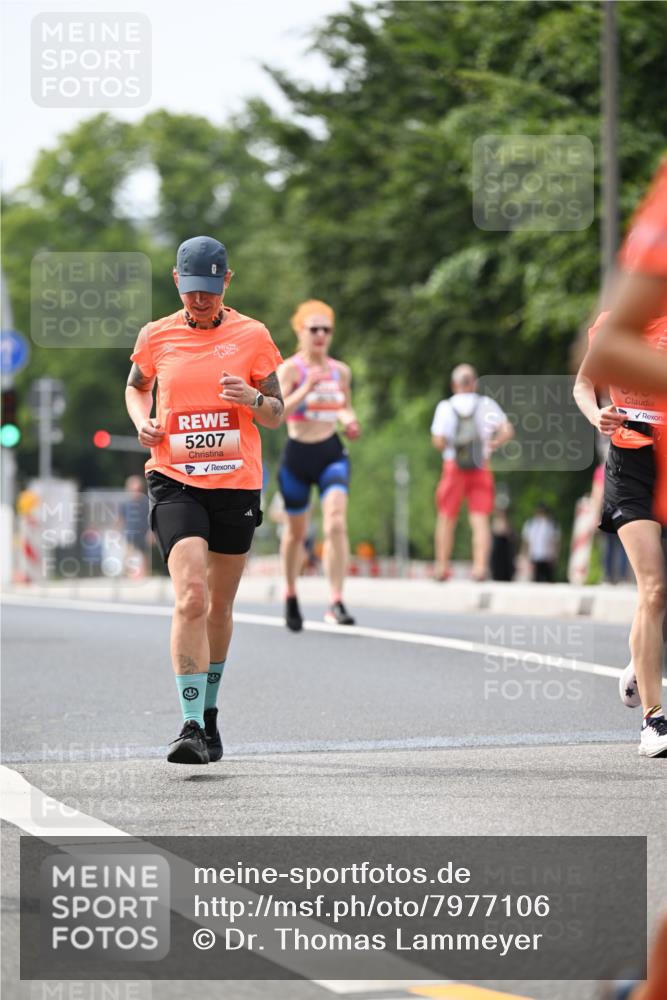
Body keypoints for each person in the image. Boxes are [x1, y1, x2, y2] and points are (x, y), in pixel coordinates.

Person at [125, 235, 283, 765]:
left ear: (227, 283)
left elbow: (277, 412)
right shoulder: (155, 336)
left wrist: (253, 399)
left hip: (235, 482)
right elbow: (135, 385)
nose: (200, 301)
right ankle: (189, 722)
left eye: (210, 292)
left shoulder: (254, 336)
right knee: (191, 595)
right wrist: (142, 421)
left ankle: (210, 714)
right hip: (174, 477)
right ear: (177, 282)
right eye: (192, 291)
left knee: (219, 606)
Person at [574, 308, 667, 757]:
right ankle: (654, 721)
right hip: (630, 464)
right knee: (654, 589)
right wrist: (597, 416)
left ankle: (639, 658)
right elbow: (583, 384)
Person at [277, 300, 360, 631]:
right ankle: (290, 592)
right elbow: (277, 412)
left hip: (330, 452)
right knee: (296, 534)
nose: (321, 335)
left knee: (336, 523)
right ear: (301, 332)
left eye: (327, 329)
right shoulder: (290, 370)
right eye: (314, 329)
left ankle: (336, 599)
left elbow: (344, 408)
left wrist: (350, 421)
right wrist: (306, 388)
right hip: (298, 454)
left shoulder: (341, 371)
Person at [430, 364, 514, 581]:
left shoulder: (446, 407)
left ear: (454, 384)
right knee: (480, 518)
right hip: (480, 465)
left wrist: (454, 445)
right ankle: (479, 568)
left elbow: (438, 440)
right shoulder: (486, 404)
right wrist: (491, 444)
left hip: (453, 467)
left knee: (446, 517)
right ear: (474, 383)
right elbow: (507, 430)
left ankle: (441, 567)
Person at [119, 475, 150, 578]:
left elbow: (150, 518)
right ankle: (126, 572)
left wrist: (151, 532)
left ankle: (145, 573)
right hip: (130, 532)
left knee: (144, 553)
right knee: (128, 552)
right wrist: (120, 531)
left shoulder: (146, 502)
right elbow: (121, 518)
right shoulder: (125, 503)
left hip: (143, 532)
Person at [520, 503, 560, 582]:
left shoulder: (553, 525)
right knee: (535, 580)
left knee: (548, 580)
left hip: (548, 557)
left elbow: (556, 542)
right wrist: (524, 555)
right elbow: (526, 541)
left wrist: (556, 556)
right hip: (534, 556)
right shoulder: (530, 524)